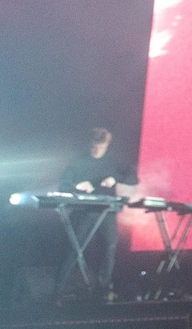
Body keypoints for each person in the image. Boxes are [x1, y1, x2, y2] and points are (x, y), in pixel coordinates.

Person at [55, 127, 135, 299]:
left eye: (101, 148)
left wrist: (115, 179)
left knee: (110, 246)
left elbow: (133, 178)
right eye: (93, 147)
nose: (97, 151)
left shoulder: (113, 161)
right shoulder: (78, 162)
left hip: (107, 211)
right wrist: (77, 186)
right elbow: (62, 185)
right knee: (74, 250)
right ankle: (58, 292)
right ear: (88, 144)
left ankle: (102, 289)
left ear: (107, 146)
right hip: (84, 211)